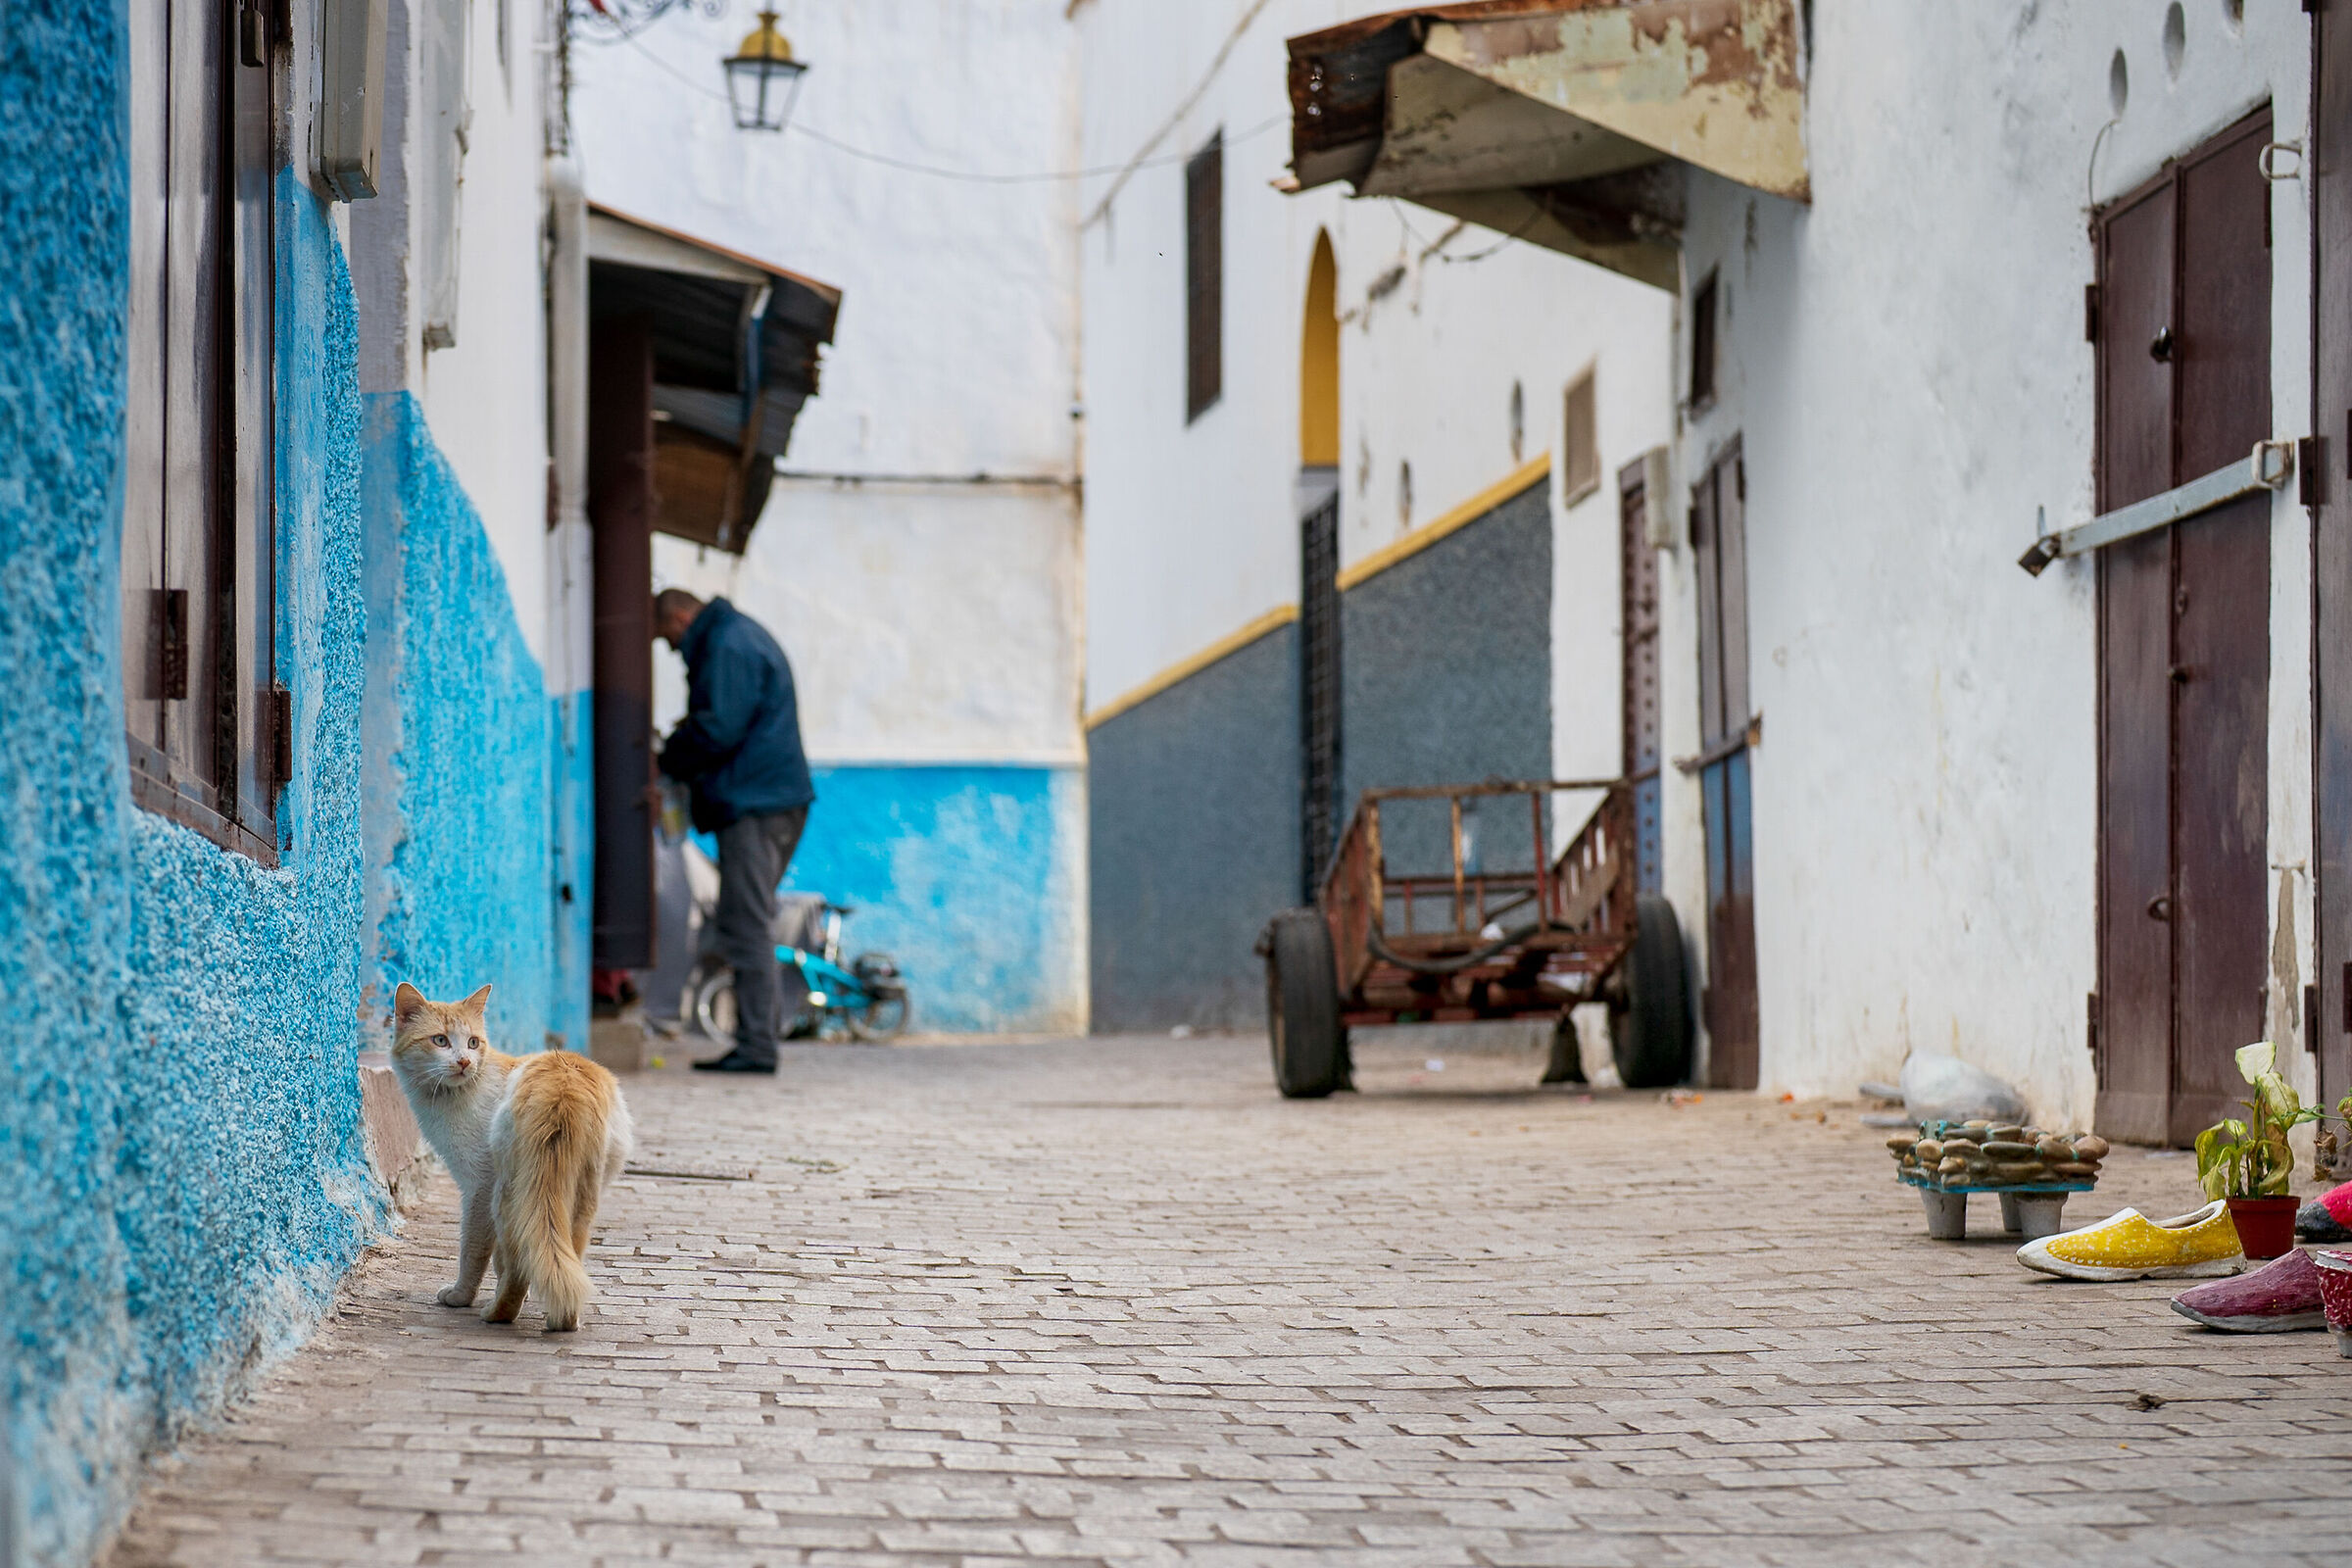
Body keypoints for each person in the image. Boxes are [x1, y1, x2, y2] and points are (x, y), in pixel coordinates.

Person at [653, 589, 815, 1075]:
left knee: (746, 923)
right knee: (744, 920)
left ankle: (757, 1046)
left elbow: (718, 729)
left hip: (756, 806)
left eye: (668, 638)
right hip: (765, 800)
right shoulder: (736, 637)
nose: (672, 650)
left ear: (681, 618)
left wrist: (667, 758)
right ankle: (755, 1039)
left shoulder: (726, 644)